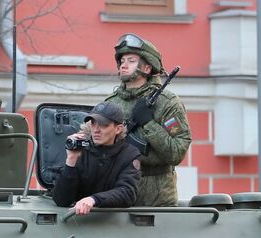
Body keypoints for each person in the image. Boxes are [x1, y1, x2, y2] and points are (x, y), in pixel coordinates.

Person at [102, 34, 191, 206]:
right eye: (122, 60)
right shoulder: (111, 103)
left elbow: (177, 151)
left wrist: (149, 124)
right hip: (118, 193)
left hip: (157, 200)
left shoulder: (167, 103)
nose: (124, 64)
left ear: (147, 68)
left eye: (132, 60)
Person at [51, 103, 143, 214]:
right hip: (78, 220)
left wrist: (94, 199)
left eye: (104, 125)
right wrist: (71, 159)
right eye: (93, 123)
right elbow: (61, 200)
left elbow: (127, 193)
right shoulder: (80, 150)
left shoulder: (129, 154)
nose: (96, 129)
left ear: (118, 129)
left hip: (113, 222)